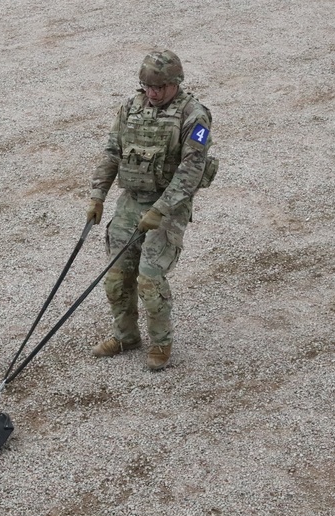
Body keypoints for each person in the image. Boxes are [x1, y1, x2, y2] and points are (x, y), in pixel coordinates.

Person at [86, 49, 218, 371]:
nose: (152, 93)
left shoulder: (194, 116)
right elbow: (112, 152)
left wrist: (161, 209)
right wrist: (97, 196)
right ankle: (126, 335)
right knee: (116, 278)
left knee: (149, 279)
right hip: (131, 201)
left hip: (168, 206)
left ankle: (161, 343)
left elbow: (192, 170)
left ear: (176, 83)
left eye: (159, 87)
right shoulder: (130, 107)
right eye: (147, 86)